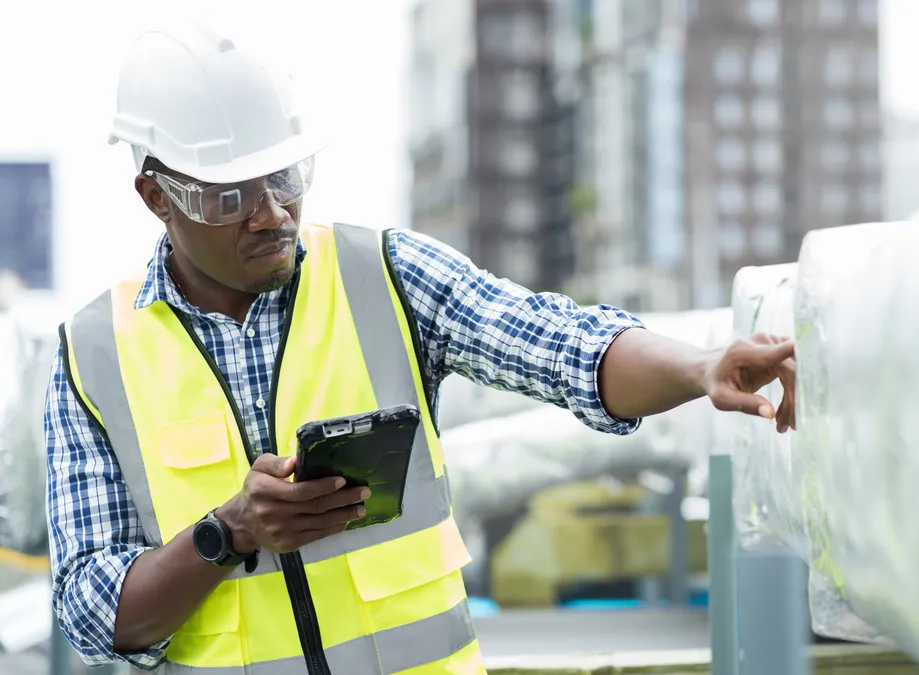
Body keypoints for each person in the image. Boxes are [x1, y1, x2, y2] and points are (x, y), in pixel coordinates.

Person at [45, 24, 796, 675]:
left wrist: (699, 366)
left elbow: (557, 342)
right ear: (156, 196)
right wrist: (229, 532)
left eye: (284, 176)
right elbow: (91, 614)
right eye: (229, 196)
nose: (270, 213)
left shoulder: (386, 277)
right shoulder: (93, 357)